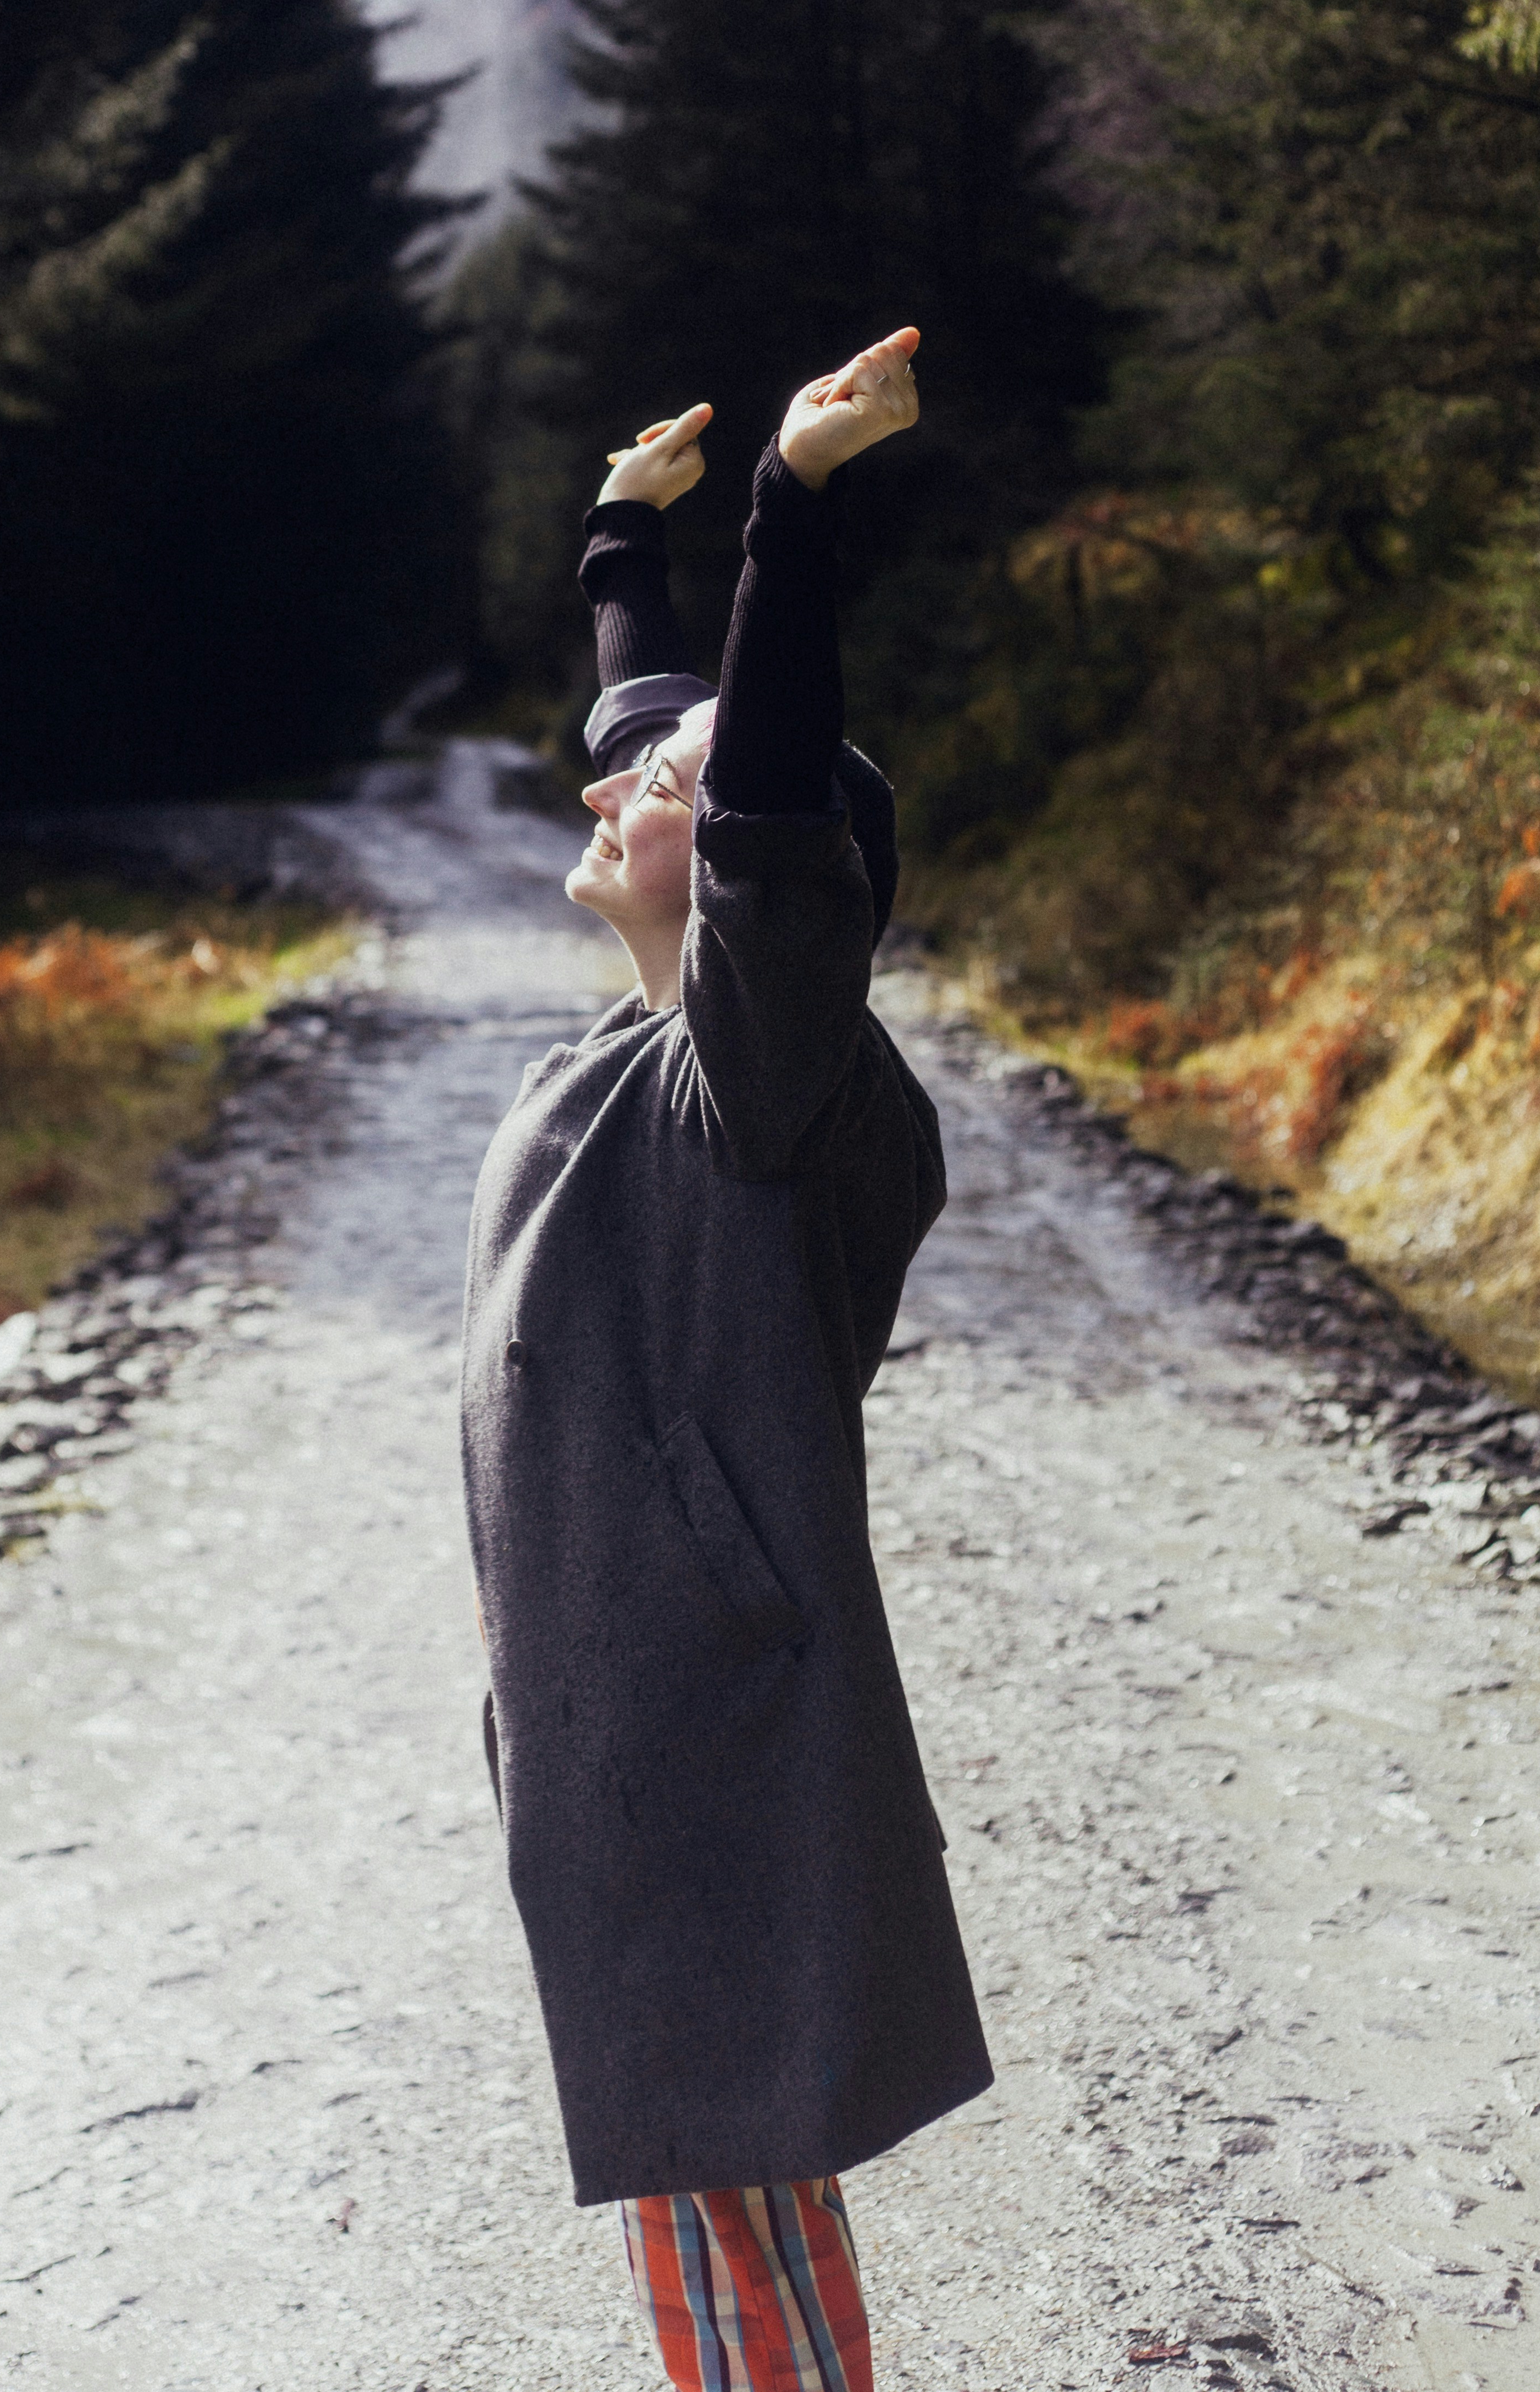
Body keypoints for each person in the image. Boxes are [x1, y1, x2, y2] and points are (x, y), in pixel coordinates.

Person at [460, 328, 992, 2392]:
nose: (608, 785)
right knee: (719, 2188)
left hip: (710, 1733)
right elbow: (656, 719)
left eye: (657, 790)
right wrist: (621, 538)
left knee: (721, 2173)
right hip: (623, 1729)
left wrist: (791, 501)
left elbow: (758, 794)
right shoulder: (650, 1053)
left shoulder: (772, 1084)